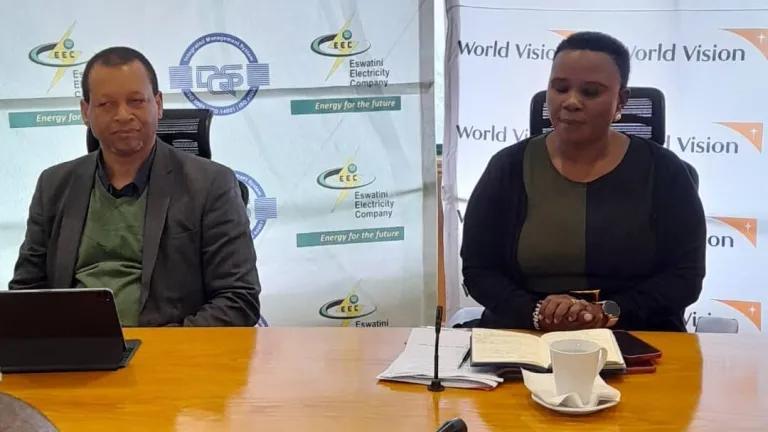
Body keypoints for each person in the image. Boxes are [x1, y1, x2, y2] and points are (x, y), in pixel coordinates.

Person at [461, 32, 705, 332]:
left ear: (621, 101)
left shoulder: (665, 171)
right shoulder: (508, 167)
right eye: (560, 88)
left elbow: (685, 277)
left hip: (636, 331)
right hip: (526, 331)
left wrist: (605, 313)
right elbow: (479, 269)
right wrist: (537, 312)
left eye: (590, 92)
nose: (571, 102)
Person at [9, 47, 261, 327]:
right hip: (75, 346)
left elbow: (238, 299)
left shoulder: (211, 184)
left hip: (171, 347)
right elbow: (25, 293)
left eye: (136, 101)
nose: (123, 115)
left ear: (158, 104)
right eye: (106, 104)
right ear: (85, 112)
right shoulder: (54, 185)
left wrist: (164, 346)